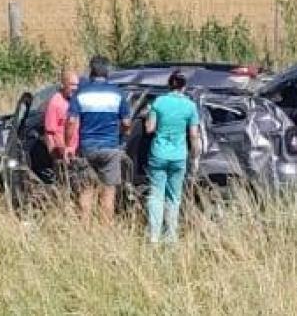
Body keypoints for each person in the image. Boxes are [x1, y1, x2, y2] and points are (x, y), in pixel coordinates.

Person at [64, 56, 131, 222]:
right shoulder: (117, 93)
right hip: (110, 147)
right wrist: (121, 135)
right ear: (107, 72)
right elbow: (126, 123)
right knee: (108, 192)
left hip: (87, 148)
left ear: (91, 71)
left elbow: (71, 122)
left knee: (85, 190)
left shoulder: (80, 94)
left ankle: (84, 228)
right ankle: (105, 231)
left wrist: (67, 145)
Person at [145, 70, 201, 243]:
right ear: (184, 86)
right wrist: (195, 156)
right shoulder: (190, 106)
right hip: (178, 156)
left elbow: (149, 129)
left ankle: (154, 236)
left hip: (159, 154)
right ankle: (171, 237)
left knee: (156, 194)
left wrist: (148, 114)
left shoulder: (159, 102)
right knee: (174, 197)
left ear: (169, 84)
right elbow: (193, 135)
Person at [43, 70, 80, 160]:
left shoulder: (74, 100)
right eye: (72, 84)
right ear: (63, 84)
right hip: (62, 154)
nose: (75, 88)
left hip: (75, 153)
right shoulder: (55, 103)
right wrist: (56, 156)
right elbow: (50, 133)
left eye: (77, 85)